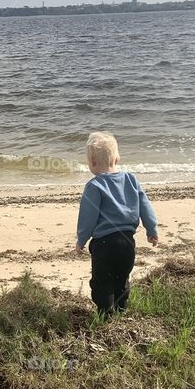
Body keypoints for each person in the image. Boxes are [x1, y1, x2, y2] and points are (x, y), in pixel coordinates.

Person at [75, 132, 158, 316]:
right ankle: (121, 310)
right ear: (117, 158)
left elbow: (88, 217)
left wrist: (81, 239)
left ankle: (106, 314)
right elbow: (145, 205)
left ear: (92, 163)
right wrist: (152, 229)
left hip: (104, 244)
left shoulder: (94, 186)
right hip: (127, 242)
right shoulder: (131, 180)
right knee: (122, 278)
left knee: (102, 281)